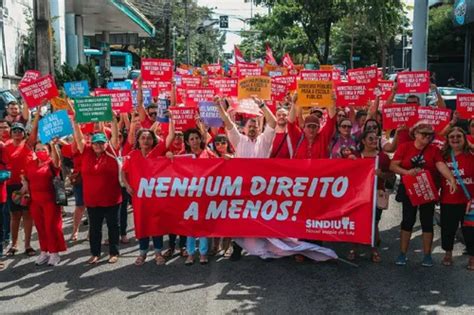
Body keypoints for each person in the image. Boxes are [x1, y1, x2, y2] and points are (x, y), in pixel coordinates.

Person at [215, 97, 277, 261]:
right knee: (240, 218)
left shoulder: (264, 140)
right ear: (244, 129)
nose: (252, 129)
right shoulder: (239, 140)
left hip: (261, 187)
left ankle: (262, 247)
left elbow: (273, 121)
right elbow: (228, 123)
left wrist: (262, 105)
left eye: (255, 127)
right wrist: (220, 108)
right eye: (249, 126)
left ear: (259, 129)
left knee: (261, 217)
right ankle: (237, 247)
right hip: (242, 187)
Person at [390, 121, 457, 267]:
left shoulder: (433, 150)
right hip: (410, 189)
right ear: (415, 134)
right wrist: (407, 172)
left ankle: (427, 255)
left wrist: (451, 178)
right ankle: (402, 254)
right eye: (424, 134)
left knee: (427, 222)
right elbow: (393, 165)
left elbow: (440, 165)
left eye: (430, 134)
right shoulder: (405, 147)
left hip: (427, 189)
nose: (427, 136)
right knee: (408, 220)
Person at [122, 125, 175, 266]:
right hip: (139, 198)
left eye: (149, 138)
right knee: (141, 224)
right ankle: (143, 253)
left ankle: (158, 252)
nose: (146, 141)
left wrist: (171, 119)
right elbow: (123, 171)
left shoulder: (157, 152)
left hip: (156, 197)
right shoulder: (132, 155)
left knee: (156, 223)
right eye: (143, 138)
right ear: (138, 140)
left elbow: (170, 137)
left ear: (153, 141)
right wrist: (127, 186)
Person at [73, 116, 122, 265]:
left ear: (106, 144)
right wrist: (75, 123)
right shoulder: (87, 152)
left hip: (112, 199)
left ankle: (113, 252)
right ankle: (95, 253)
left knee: (113, 227)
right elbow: (80, 139)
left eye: (101, 143)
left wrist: (113, 121)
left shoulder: (112, 152)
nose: (98, 146)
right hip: (93, 200)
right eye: (95, 143)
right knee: (95, 229)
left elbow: (114, 136)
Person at [347, 130, 392, 263]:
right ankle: (354, 247)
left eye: (376, 139)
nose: (374, 141)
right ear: (363, 141)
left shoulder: (382, 157)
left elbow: (391, 175)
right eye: (370, 139)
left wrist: (381, 175)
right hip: (359, 194)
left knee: (374, 223)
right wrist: (350, 162)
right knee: (357, 220)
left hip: (376, 192)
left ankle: (373, 248)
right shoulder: (356, 155)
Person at [21, 140, 67, 266]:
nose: (40, 151)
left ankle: (54, 253)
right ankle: (44, 251)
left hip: (50, 201)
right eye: (38, 149)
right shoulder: (30, 163)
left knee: (51, 227)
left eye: (43, 149)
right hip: (35, 201)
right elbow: (25, 176)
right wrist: (24, 184)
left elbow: (58, 161)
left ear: (49, 151)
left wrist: (53, 145)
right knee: (40, 227)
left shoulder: (52, 163)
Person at [3, 114, 39, 257]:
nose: (17, 133)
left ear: (24, 133)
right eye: (15, 131)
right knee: (14, 216)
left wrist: (37, 113)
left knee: (28, 215)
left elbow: (35, 128)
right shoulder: (5, 146)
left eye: (20, 131)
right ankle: (14, 244)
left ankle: (28, 245)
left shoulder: (29, 144)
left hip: (28, 184)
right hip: (11, 185)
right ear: (10, 133)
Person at [439, 127, 474, 267]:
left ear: (465, 139)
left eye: (459, 136)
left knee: (471, 231)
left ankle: (472, 258)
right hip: (448, 199)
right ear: (447, 140)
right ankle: (448, 254)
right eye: (452, 136)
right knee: (448, 228)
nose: (455, 139)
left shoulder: (471, 156)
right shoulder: (443, 157)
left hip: (469, 202)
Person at [182, 128, 216, 265]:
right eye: (192, 139)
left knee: (202, 225)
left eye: (197, 138)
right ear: (187, 142)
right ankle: (190, 253)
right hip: (188, 196)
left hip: (204, 195)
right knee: (190, 226)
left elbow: (219, 166)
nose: (195, 141)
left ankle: (203, 253)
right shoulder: (182, 156)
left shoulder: (207, 153)